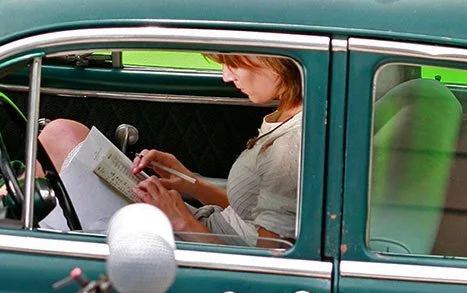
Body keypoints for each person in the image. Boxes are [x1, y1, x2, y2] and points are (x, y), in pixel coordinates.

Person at [37, 53, 303, 245]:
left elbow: (267, 269)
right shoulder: (287, 115)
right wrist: (189, 182)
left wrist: (182, 222)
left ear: (273, 60)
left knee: (60, 137)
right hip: (199, 225)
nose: (225, 76)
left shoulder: (290, 146)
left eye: (231, 63)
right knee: (59, 146)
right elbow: (254, 212)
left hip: (189, 244)